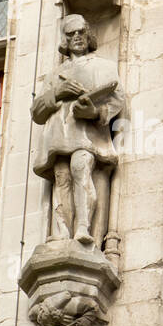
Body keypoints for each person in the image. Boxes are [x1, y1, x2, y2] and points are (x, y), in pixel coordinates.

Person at [31, 14, 124, 246]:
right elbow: (37, 111)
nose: (77, 38)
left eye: (81, 32)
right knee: (62, 175)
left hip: (87, 134)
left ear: (88, 34)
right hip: (59, 135)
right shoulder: (55, 75)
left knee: (80, 166)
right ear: (65, 39)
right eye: (71, 34)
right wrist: (58, 92)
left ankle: (83, 226)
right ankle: (62, 232)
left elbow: (116, 99)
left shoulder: (103, 66)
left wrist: (93, 112)